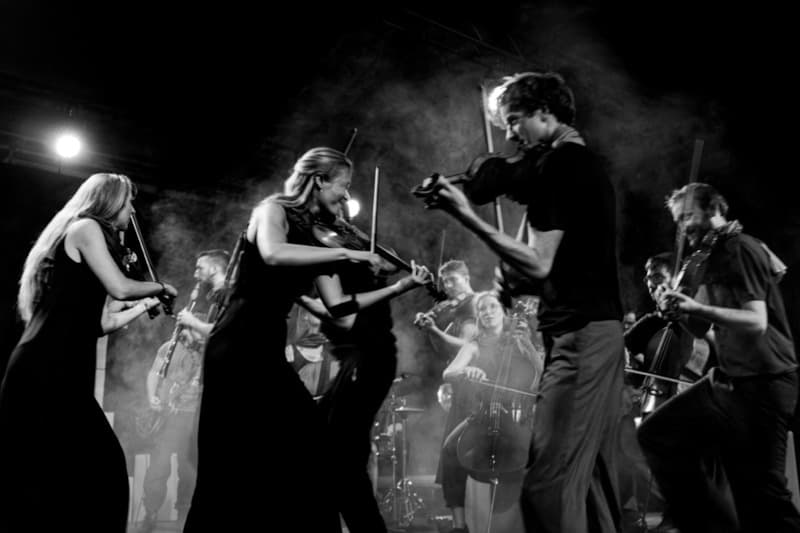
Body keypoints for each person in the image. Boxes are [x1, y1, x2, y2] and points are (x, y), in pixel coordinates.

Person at [423, 71, 625, 532]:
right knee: (586, 481)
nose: (510, 135)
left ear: (545, 112)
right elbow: (545, 264)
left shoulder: (562, 166)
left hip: (583, 337)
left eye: (514, 120)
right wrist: (508, 278)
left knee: (549, 482)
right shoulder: (572, 165)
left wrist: (466, 214)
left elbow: (538, 262)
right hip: (589, 332)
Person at [184, 147, 415, 533]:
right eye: (343, 186)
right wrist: (349, 253)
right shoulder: (271, 210)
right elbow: (273, 253)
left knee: (311, 448)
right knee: (227, 457)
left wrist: (398, 287)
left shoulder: (318, 240)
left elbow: (338, 310)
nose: (346, 196)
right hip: (237, 342)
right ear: (319, 180)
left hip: (266, 347)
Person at [0, 173, 177, 533]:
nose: (132, 210)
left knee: (75, 478)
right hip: (45, 370)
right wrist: (159, 286)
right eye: (128, 202)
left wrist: (146, 303)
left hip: (60, 372)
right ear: (110, 201)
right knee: (95, 474)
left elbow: (101, 323)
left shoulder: (90, 236)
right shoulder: (86, 227)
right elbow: (120, 287)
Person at [638, 182, 800, 533]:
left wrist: (697, 307)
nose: (683, 227)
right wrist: (680, 311)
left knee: (764, 495)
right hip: (730, 381)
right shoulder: (707, 260)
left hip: (766, 381)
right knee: (657, 433)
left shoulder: (740, 248)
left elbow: (756, 322)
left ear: (713, 209)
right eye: (678, 221)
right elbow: (700, 328)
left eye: (688, 216)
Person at [298, 205, 433, 533]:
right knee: (323, 453)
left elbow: (342, 312)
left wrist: (396, 279)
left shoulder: (349, 261)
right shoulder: (336, 258)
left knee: (345, 462)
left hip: (368, 356)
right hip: (357, 359)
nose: (345, 198)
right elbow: (328, 306)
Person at [137, 249, 229, 533]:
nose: (185, 332)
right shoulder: (170, 347)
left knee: (190, 471)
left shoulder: (209, 350)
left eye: (188, 328)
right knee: (159, 467)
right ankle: (151, 513)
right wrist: (152, 396)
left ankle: (184, 517)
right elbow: (154, 373)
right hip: (170, 416)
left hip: (196, 417)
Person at [439, 291, 543, 533]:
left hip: (519, 417)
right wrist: (467, 371)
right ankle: (459, 526)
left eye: (493, 307)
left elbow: (543, 374)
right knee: (450, 450)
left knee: (539, 458)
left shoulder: (521, 341)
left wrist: (528, 346)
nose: (487, 312)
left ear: (504, 312)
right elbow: (449, 373)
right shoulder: (475, 345)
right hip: (484, 414)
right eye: (482, 309)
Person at [413, 259, 480, 525]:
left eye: (453, 280)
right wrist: (430, 330)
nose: (448, 287)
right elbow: (444, 350)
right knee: (452, 456)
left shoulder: (473, 306)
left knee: (459, 452)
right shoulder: (455, 311)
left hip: (474, 388)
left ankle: (469, 523)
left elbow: (465, 345)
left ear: (466, 277)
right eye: (445, 282)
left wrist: (434, 329)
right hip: (460, 389)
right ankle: (459, 525)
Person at [285, 305, 339, 397]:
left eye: (325, 309)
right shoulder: (291, 351)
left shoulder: (335, 349)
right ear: (305, 315)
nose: (322, 311)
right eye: (316, 307)